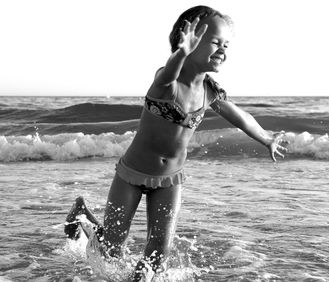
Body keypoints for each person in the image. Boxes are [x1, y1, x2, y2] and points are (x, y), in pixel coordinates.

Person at [64, 5, 287, 281]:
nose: (223, 50)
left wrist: (266, 138)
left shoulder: (210, 91)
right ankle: (83, 215)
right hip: (132, 175)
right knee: (111, 249)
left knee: (159, 254)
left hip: (170, 180)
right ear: (189, 39)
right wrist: (181, 53)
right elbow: (170, 72)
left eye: (227, 45)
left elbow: (240, 116)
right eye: (216, 42)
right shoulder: (165, 81)